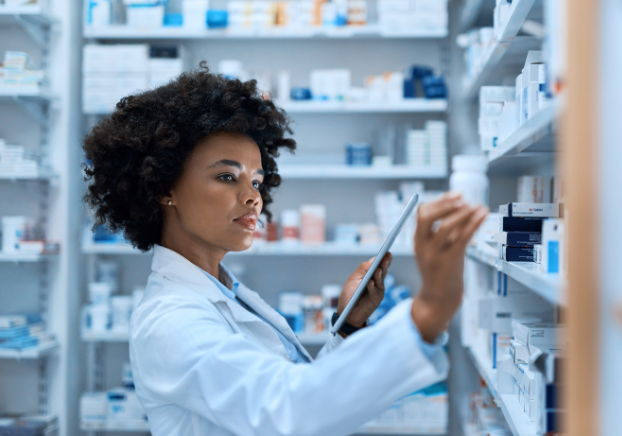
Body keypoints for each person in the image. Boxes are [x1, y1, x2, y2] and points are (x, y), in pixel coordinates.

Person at [82, 64, 488, 436]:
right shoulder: (171, 321)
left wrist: (347, 327)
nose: (252, 198)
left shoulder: (226, 292)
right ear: (164, 187)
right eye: (227, 176)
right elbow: (290, 412)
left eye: (257, 182)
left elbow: (302, 393)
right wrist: (430, 310)